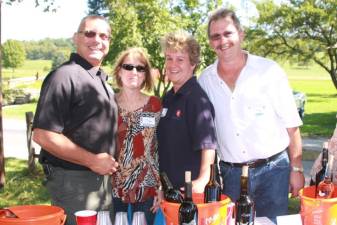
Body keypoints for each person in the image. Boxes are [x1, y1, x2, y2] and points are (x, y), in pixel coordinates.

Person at [198, 8, 305, 221]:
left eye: (228, 33)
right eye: (216, 36)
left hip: (274, 171)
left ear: (241, 34)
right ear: (211, 42)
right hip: (231, 175)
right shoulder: (206, 80)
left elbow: (291, 124)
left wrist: (297, 168)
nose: (222, 40)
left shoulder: (268, 71)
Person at [32, 15, 118, 225]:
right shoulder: (64, 76)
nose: (97, 40)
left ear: (109, 42)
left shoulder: (102, 82)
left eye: (103, 36)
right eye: (89, 33)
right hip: (74, 183)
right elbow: (43, 135)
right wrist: (93, 161)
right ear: (75, 38)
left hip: (102, 184)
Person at [157, 31, 217, 193]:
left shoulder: (196, 99)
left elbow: (208, 145)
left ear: (193, 64)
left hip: (190, 193)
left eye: (180, 59)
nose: (172, 64)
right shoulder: (169, 97)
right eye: (169, 58)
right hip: (170, 190)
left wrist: (204, 180)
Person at [111, 47, 162, 225]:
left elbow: (157, 150)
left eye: (140, 68)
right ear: (119, 71)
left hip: (146, 186)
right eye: (128, 67)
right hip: (113, 187)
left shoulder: (155, 105)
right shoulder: (108, 103)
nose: (134, 72)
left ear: (146, 74)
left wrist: (159, 187)